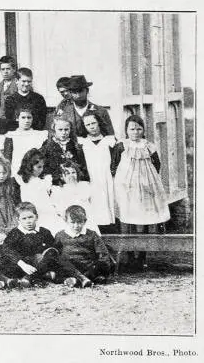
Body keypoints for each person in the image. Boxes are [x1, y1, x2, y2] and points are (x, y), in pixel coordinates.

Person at [111, 115, 170, 269]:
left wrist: (148, 181)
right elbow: (114, 165)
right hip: (126, 188)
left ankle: (142, 256)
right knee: (128, 218)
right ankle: (129, 256)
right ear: (126, 130)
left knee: (142, 220)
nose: (135, 132)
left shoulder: (149, 146)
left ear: (143, 130)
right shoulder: (121, 146)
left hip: (145, 188)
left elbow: (157, 165)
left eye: (139, 129)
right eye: (132, 129)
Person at [0, 202, 92, 288]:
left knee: (52, 252)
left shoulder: (44, 232)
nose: (28, 221)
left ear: (36, 217)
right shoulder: (15, 233)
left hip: (41, 265)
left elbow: (53, 252)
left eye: (30, 217)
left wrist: (43, 256)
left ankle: (80, 277)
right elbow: (8, 251)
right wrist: (23, 265)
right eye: (24, 218)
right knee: (6, 264)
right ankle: (55, 278)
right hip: (22, 266)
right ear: (18, 220)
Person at [55, 205, 114, 285]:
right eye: (72, 222)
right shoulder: (60, 235)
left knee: (101, 265)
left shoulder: (92, 234)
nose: (76, 226)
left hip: (88, 266)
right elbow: (56, 252)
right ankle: (82, 278)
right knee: (60, 263)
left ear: (84, 221)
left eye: (79, 222)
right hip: (70, 266)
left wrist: (103, 265)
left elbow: (103, 252)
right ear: (66, 221)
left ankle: (81, 279)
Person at [78, 113, 117, 230]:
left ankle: (110, 229)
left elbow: (116, 160)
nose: (91, 126)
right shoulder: (82, 143)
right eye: (88, 124)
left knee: (109, 201)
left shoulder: (110, 141)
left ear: (99, 122)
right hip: (91, 178)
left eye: (93, 123)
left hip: (107, 178)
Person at [16, 149, 60, 235]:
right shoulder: (31, 183)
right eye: (39, 167)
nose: (41, 170)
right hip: (37, 214)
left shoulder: (38, 181)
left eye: (42, 167)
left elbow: (46, 201)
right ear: (29, 166)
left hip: (42, 212)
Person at [50, 160, 99, 234]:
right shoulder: (58, 190)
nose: (71, 175)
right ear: (62, 177)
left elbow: (92, 205)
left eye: (73, 172)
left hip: (85, 218)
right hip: (67, 220)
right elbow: (56, 208)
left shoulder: (84, 186)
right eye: (67, 173)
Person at [40, 116, 88, 185]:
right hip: (55, 185)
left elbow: (83, 168)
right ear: (54, 130)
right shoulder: (47, 147)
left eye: (66, 129)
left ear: (70, 130)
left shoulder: (76, 147)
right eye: (60, 129)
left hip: (74, 184)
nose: (63, 132)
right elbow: (42, 168)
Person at [4, 106, 49, 177]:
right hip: (16, 171)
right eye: (23, 117)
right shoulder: (11, 135)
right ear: (17, 118)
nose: (26, 120)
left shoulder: (40, 135)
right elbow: (7, 158)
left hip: (35, 171)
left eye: (29, 117)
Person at [0, 56, 19, 122]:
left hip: (14, 121)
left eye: (8, 69)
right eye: (3, 69)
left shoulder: (19, 85)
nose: (5, 72)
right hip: (0, 121)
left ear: (14, 69)